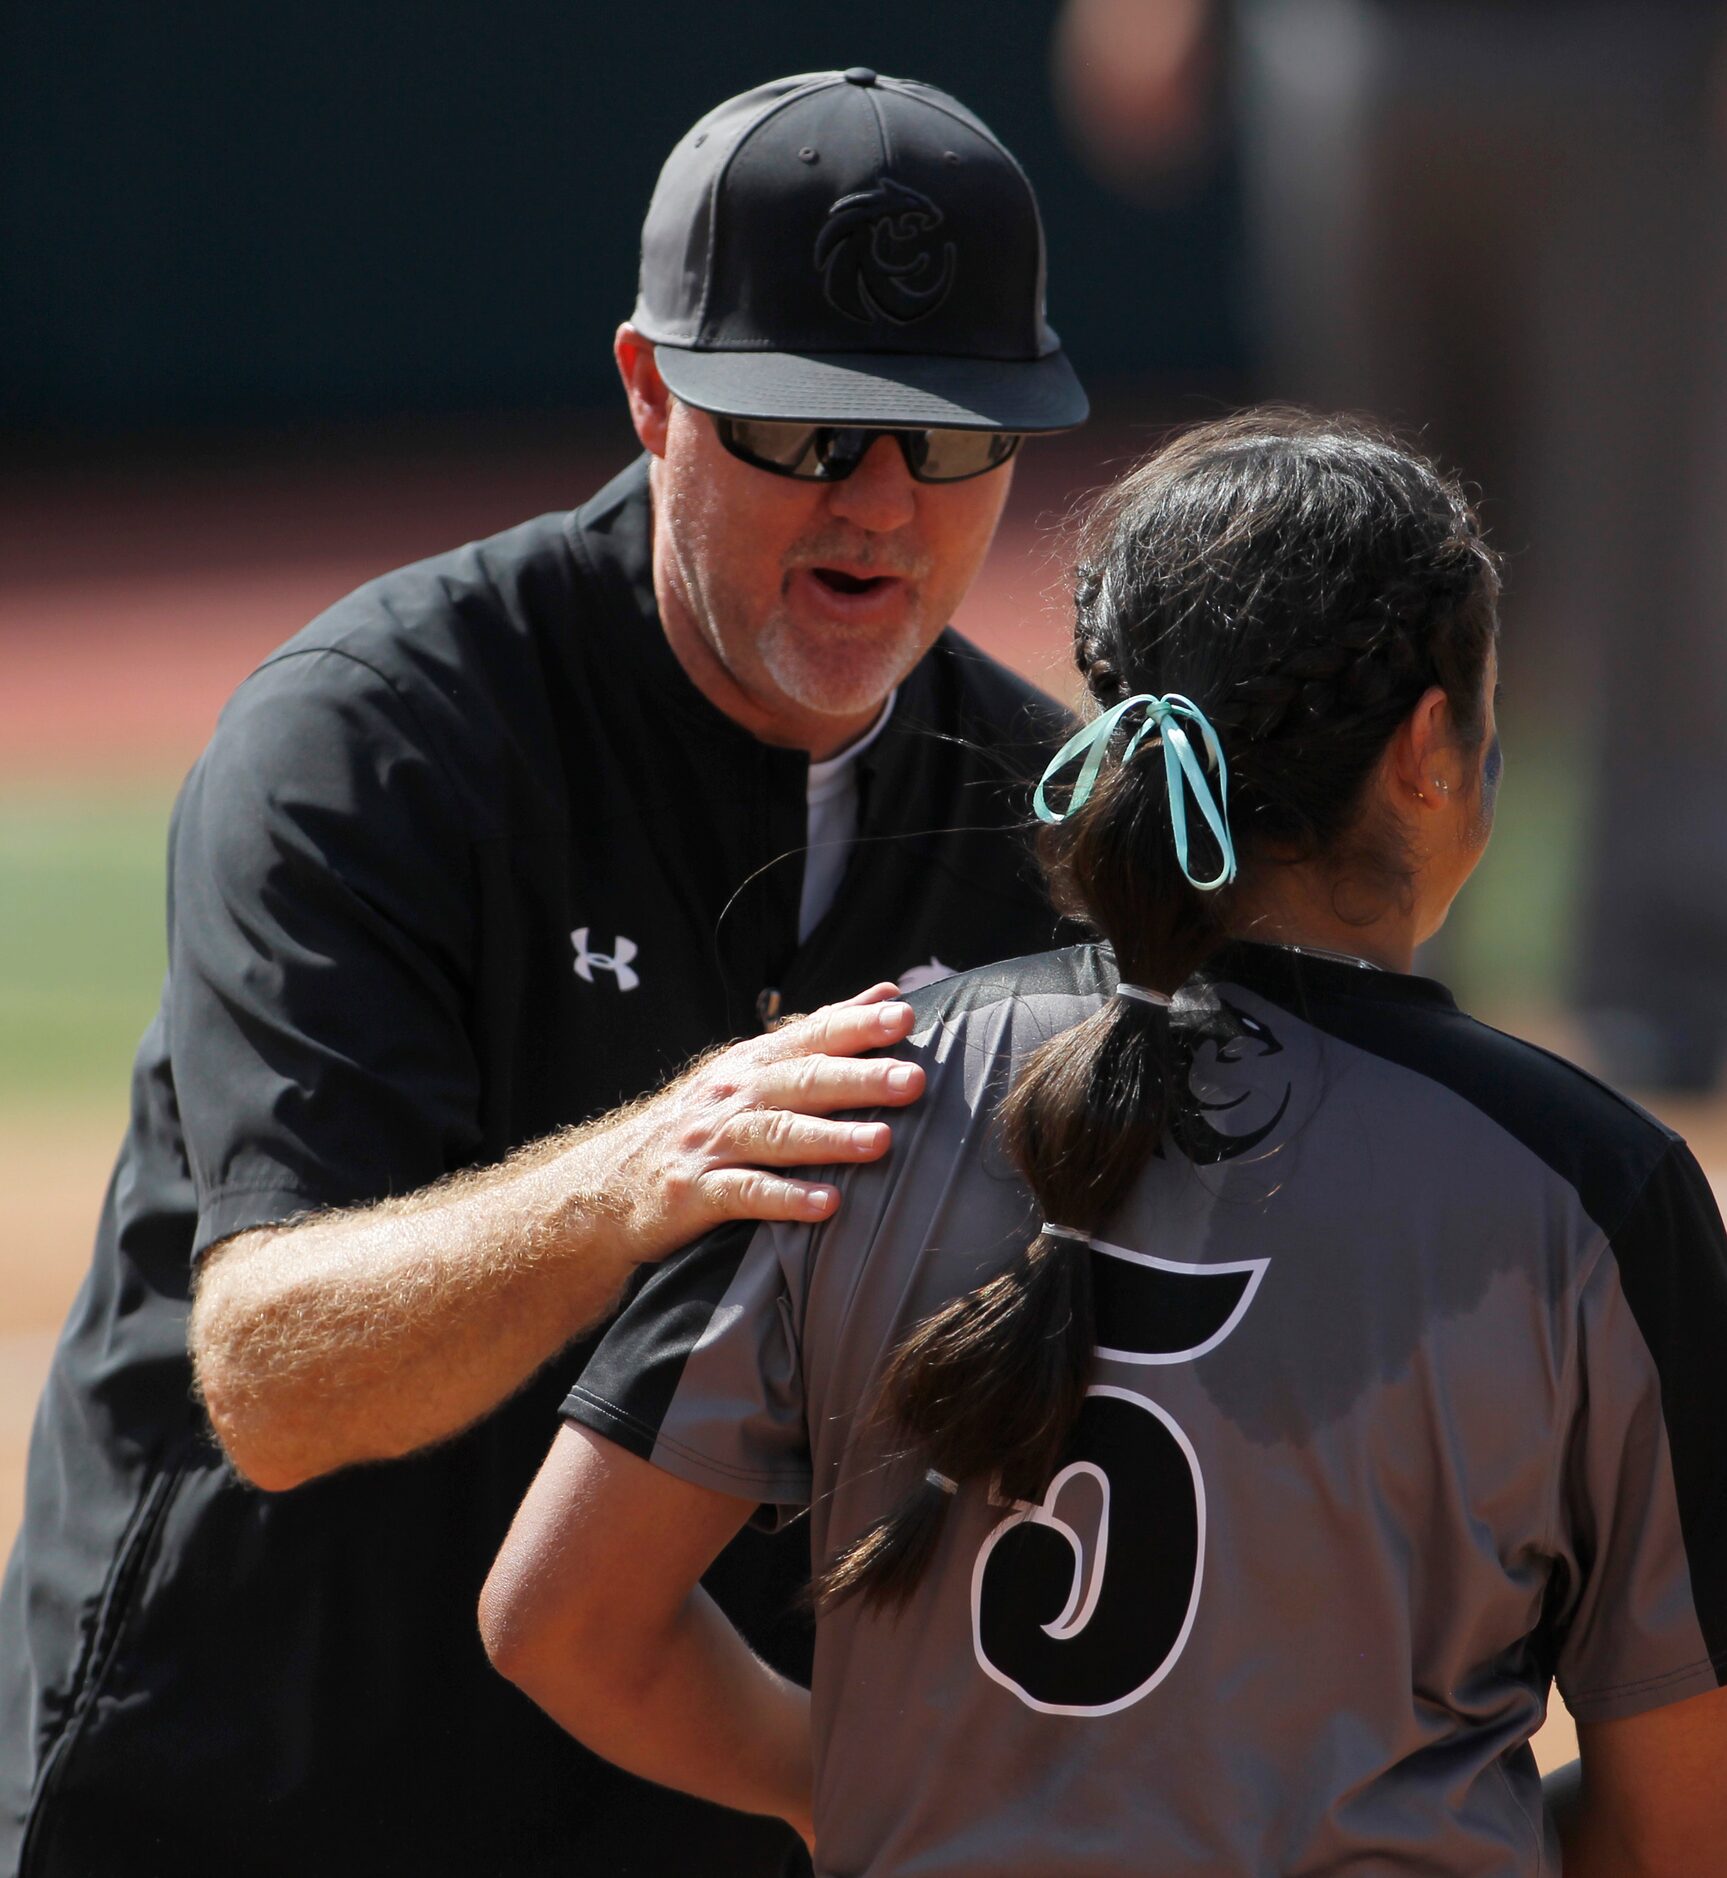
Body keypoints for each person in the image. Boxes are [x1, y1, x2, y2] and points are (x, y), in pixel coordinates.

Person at [0, 71, 1090, 1876]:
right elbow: (271, 1371)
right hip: (254, 1766)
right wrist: (649, 1167)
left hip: (684, 1784)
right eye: (808, 431)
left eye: (955, 437)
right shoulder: (377, 739)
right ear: (650, 393)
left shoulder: (1024, 819)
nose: (884, 505)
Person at [484, 409, 1727, 1875]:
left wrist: (862, 1791)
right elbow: (1679, 1819)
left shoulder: (862, 1083)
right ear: (1423, 751)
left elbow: (557, 1615)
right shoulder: (1587, 1185)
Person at [1053, 0, 1727, 1089]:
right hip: (1358, 44)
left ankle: (1657, 995)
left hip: (1631, 49)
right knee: (1348, 530)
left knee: (1649, 541)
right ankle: (1348, 947)